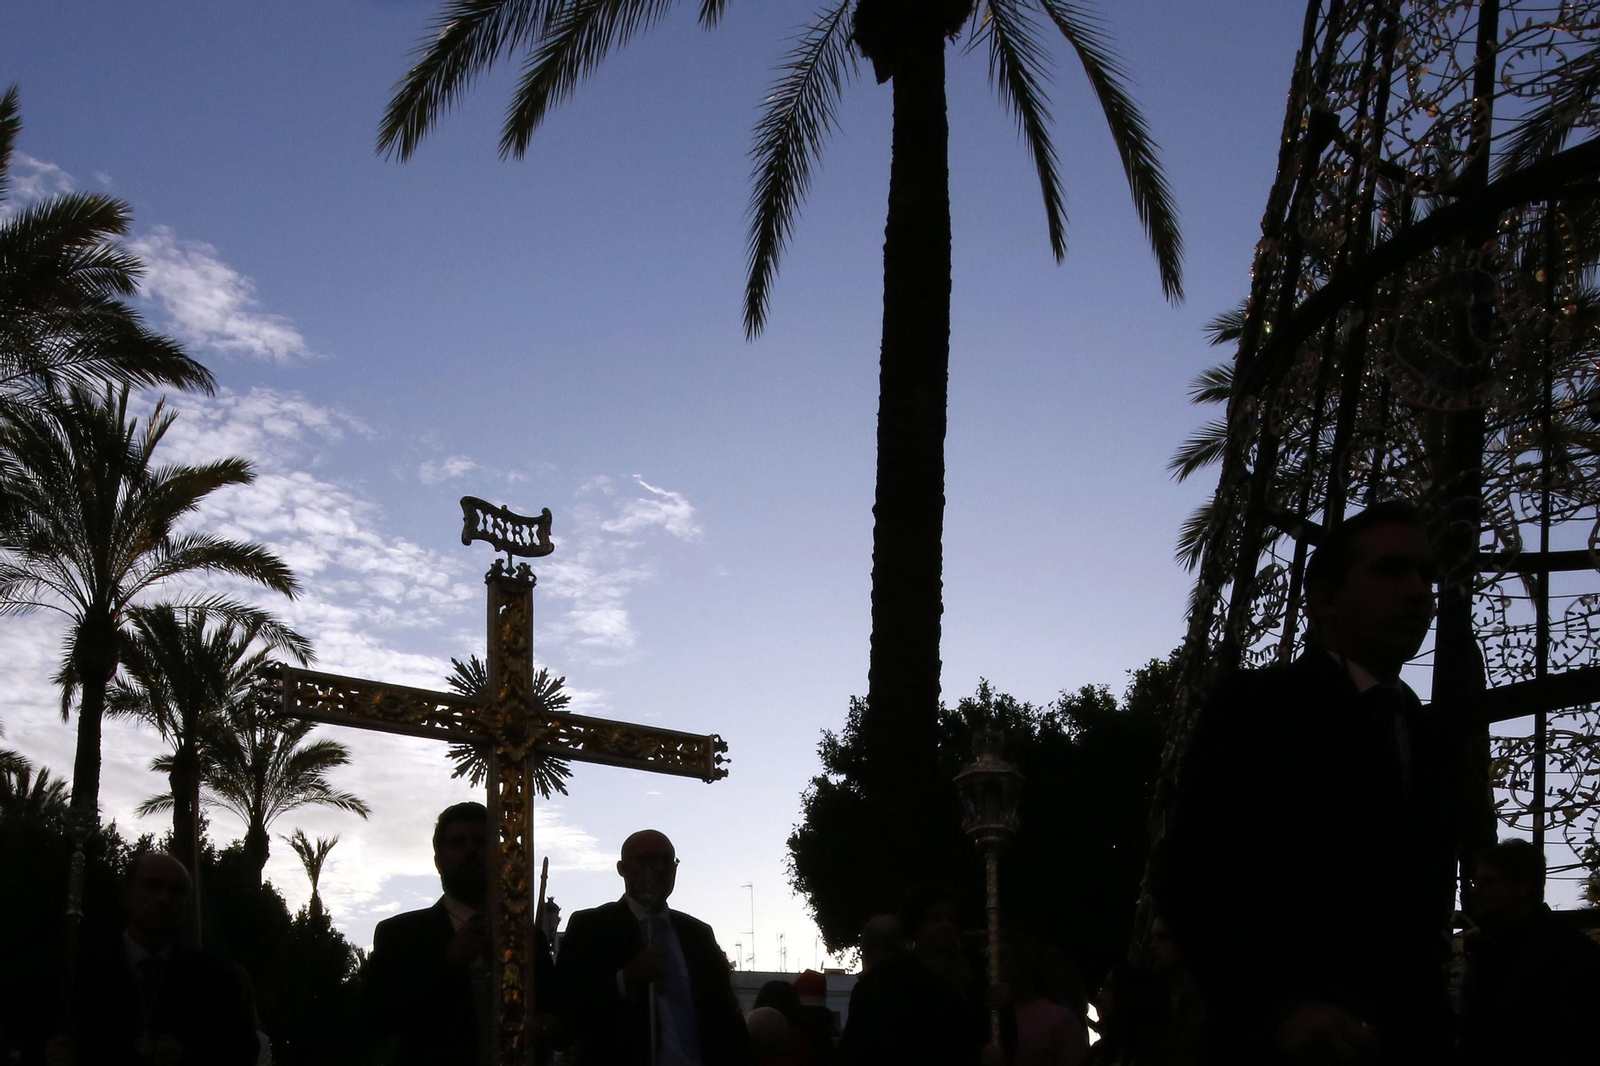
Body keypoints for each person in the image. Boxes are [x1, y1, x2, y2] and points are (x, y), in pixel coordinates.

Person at [1155, 501, 1462, 1064]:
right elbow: (1191, 873)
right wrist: (1278, 1009)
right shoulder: (1260, 707)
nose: (1420, 591)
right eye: (1392, 570)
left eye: (1427, 574)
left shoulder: (1430, 735)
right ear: (1325, 598)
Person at [362, 801, 556, 1066]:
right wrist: (447, 962)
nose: (470, 851)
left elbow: (558, 1018)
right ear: (438, 860)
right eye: (457, 843)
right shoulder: (399, 936)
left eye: (481, 841)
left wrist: (544, 1025)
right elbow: (377, 1019)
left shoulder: (530, 939)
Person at [553, 829, 752, 1066]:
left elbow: (726, 1014)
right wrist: (625, 980)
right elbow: (567, 1016)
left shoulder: (697, 934)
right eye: (647, 859)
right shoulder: (592, 928)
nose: (659, 867)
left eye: (667, 860)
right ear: (622, 868)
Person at [49, 851, 258, 1065]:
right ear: (125, 896)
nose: (164, 898)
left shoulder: (217, 981)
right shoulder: (79, 970)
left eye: (177, 891)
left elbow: (242, 1053)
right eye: (152, 886)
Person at [1459, 838, 1600, 1066]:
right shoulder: (1489, 947)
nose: (1477, 892)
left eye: (1488, 882)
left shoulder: (1566, 954)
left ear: (1523, 887)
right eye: (1477, 882)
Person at [838, 887, 986, 1066]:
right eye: (935, 919)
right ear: (915, 926)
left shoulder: (974, 974)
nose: (946, 925)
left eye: (951, 919)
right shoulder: (886, 980)